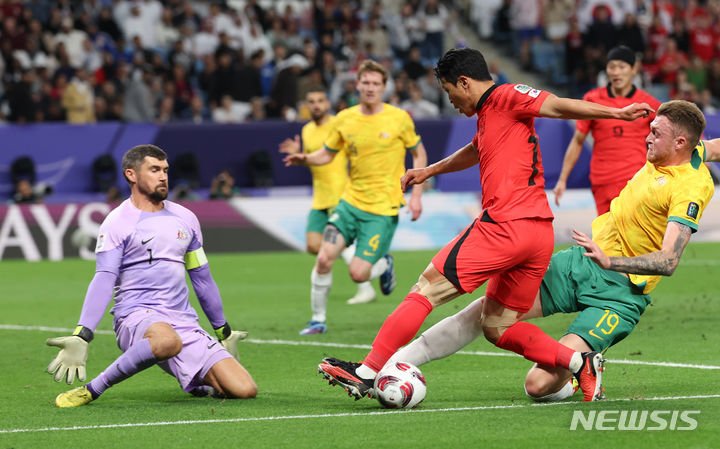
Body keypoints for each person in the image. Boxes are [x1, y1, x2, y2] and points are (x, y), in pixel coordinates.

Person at [317, 48, 654, 402]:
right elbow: (476, 150)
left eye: (450, 92)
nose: (451, 101)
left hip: (505, 224)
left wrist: (617, 112)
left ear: (465, 82)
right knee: (497, 326)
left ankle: (366, 372)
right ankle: (579, 363)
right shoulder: (491, 117)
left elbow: (556, 105)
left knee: (427, 288)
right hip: (537, 235)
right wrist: (429, 171)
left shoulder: (506, 96)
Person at [389, 100, 717, 402]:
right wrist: (599, 257)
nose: (647, 138)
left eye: (656, 134)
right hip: (582, 263)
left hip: (622, 294)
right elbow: (713, 146)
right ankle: (395, 363)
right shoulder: (691, 149)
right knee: (487, 313)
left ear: (679, 143)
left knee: (537, 387)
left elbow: (669, 260)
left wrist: (612, 261)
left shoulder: (690, 187)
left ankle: (584, 367)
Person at [46, 145, 257, 407]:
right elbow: (104, 276)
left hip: (183, 320)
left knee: (244, 389)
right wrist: (82, 334)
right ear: (131, 175)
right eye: (154, 169)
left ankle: (198, 386)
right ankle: (92, 389)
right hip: (136, 316)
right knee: (167, 341)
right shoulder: (117, 222)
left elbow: (201, 277)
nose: (163, 176)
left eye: (165, 170)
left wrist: (222, 330)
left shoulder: (186, 218)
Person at [283, 60, 427, 336]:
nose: (370, 88)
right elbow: (328, 153)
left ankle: (384, 264)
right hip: (349, 203)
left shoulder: (399, 118)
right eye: (366, 83)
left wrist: (417, 194)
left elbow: (419, 154)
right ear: (357, 85)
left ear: (384, 87)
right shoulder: (345, 118)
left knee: (358, 274)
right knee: (324, 258)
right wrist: (305, 159)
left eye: (376, 83)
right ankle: (317, 319)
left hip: (382, 209)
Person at [279, 88, 378, 308]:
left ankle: (365, 287)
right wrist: (300, 154)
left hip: (339, 193)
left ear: (327, 103)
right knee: (313, 245)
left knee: (334, 244)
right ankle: (365, 259)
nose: (316, 105)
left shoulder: (338, 124)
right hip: (319, 197)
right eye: (311, 101)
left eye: (320, 101)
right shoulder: (306, 130)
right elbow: (315, 159)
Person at [553, 46, 662, 215]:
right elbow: (578, 140)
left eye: (621, 66)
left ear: (634, 69)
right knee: (606, 239)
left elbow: (672, 131)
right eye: (612, 67)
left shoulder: (647, 103)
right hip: (602, 181)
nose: (616, 72)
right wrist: (562, 179)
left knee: (634, 237)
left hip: (636, 180)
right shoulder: (592, 99)